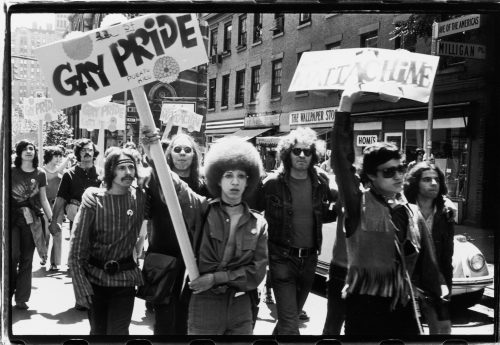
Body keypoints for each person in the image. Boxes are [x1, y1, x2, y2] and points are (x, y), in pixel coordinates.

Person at [331, 89, 448, 336]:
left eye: (400, 168)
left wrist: (439, 311)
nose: (397, 176)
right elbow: (341, 160)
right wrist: (346, 103)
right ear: (371, 176)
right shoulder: (357, 204)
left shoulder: (410, 211)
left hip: (404, 304)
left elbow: (429, 267)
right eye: (388, 172)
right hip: (364, 307)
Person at [142, 130, 268, 335]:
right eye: (228, 175)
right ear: (218, 179)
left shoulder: (259, 223)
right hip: (205, 303)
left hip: (241, 306)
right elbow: (176, 189)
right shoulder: (203, 209)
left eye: (241, 176)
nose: (235, 182)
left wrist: (216, 278)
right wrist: (155, 157)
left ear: (249, 181)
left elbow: (257, 272)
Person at [256, 126, 338, 335]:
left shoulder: (321, 182)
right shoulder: (272, 183)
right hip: (281, 258)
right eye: (297, 151)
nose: (302, 155)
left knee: (287, 320)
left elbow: (329, 210)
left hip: (310, 259)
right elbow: (253, 213)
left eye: (307, 151)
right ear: (287, 153)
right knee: (291, 324)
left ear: (313, 155)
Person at [68, 147, 147, 335]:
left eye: (131, 167)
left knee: (118, 334)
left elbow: (161, 181)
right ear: (110, 170)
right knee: (98, 332)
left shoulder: (141, 197)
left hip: (125, 280)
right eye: (121, 168)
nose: (128, 172)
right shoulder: (94, 199)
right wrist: (80, 286)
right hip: (95, 280)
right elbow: (77, 247)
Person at [145, 133, 210, 335]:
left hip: (193, 261)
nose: (182, 154)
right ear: (169, 154)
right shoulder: (154, 181)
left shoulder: (204, 185)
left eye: (187, 150)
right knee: (164, 320)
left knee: (185, 319)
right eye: (177, 149)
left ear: (195, 155)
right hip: (163, 259)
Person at [49, 138, 101, 310]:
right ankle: (81, 297)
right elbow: (61, 198)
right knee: (78, 259)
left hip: (100, 223)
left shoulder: (101, 174)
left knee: (96, 259)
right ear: (78, 153)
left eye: (90, 150)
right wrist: (54, 221)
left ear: (94, 153)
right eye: (84, 150)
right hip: (77, 222)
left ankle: (97, 296)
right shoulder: (69, 174)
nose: (87, 152)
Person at [404, 162, 454, 334]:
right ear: (415, 183)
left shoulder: (445, 213)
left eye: (436, 180)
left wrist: (446, 286)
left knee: (443, 329)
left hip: (435, 276)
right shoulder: (403, 208)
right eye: (426, 179)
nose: (433, 183)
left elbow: (447, 256)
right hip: (409, 277)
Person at [10, 140, 53, 310]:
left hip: (32, 221)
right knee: (12, 256)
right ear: (19, 152)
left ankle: (21, 298)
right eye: (25, 149)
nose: (29, 151)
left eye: (32, 148)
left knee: (27, 259)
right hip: (12, 220)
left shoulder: (40, 173)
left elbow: (43, 199)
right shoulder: (10, 171)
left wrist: (52, 220)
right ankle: (8, 290)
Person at [42, 146, 68, 271]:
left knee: (57, 233)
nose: (59, 158)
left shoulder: (62, 172)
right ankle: (43, 255)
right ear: (49, 156)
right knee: (46, 234)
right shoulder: (41, 170)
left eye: (60, 156)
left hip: (58, 204)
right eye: (56, 156)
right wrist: (67, 160)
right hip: (44, 205)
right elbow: (52, 174)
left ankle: (55, 262)